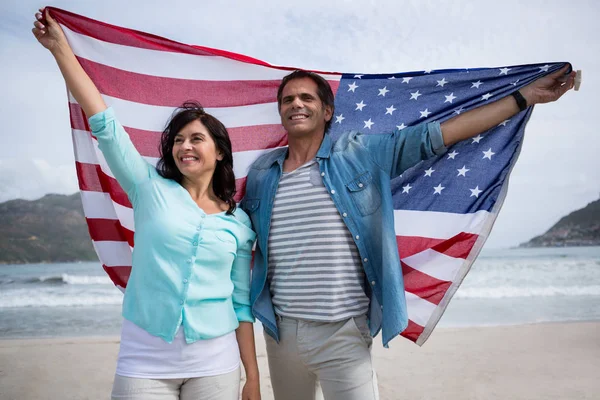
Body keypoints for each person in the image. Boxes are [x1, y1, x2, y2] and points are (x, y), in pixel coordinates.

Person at [242, 65, 575, 399]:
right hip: (280, 333)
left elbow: (439, 134)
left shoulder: (359, 154)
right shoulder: (261, 173)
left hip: (342, 333)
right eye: (287, 100)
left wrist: (525, 96)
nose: (296, 104)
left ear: (327, 111)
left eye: (306, 97)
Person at [33, 9, 261, 400]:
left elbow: (240, 303)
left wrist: (252, 378)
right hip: (145, 357)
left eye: (195, 139)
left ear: (221, 152)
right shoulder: (147, 186)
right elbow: (105, 124)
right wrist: (61, 51)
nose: (184, 146)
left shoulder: (239, 223)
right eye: (177, 140)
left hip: (216, 362)